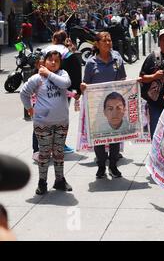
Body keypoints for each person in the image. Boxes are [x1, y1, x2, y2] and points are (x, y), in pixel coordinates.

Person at [20, 50, 73, 195]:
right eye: (51, 60)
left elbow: (66, 84)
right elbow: (23, 93)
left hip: (62, 121)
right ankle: (42, 182)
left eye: (57, 60)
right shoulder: (37, 78)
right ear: (44, 62)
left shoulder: (63, 74)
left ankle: (59, 180)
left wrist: (49, 74)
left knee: (59, 152)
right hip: (43, 123)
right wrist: (29, 108)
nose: (54, 63)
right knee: (44, 153)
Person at [81, 32, 127, 179]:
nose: (108, 43)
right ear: (97, 44)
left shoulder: (117, 60)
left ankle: (113, 165)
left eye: (110, 40)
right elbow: (85, 84)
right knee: (98, 138)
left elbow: (123, 79)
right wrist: (83, 87)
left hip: (114, 106)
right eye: (104, 41)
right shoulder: (91, 63)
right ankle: (101, 165)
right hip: (97, 107)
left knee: (115, 136)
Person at [40, 31, 82, 155]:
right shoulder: (68, 54)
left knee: (45, 119)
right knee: (60, 118)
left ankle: (44, 146)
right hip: (64, 91)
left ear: (53, 39)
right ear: (65, 39)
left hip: (45, 91)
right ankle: (60, 145)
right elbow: (76, 73)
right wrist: (77, 91)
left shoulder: (45, 52)